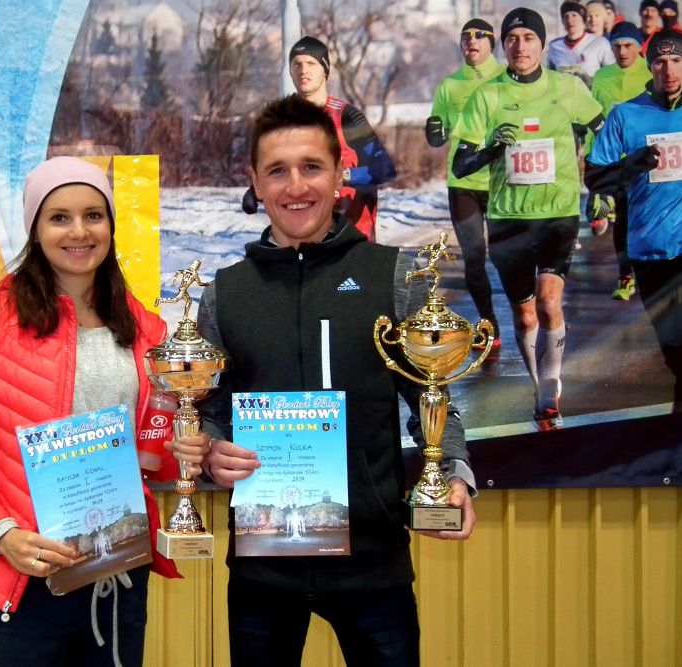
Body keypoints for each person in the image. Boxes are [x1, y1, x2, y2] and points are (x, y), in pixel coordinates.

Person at [200, 94, 476, 667]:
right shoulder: (225, 293)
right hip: (263, 567)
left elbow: (432, 396)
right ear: (255, 181)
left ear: (339, 174)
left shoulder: (392, 276)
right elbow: (209, 410)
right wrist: (211, 451)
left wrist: (453, 474)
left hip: (373, 564)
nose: (295, 186)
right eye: (277, 170)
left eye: (311, 167)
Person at [0, 157, 209, 667]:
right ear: (35, 229)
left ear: (111, 226)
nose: (79, 232)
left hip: (118, 573)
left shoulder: (148, 331)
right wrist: (1, 534)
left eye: (93, 215)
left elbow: (152, 459)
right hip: (29, 575)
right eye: (59, 217)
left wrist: (182, 449)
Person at [452, 7, 605, 431]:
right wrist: (491, 149)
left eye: (529, 38)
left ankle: (550, 389)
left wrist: (599, 184)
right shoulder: (487, 96)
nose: (520, 47)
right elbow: (462, 164)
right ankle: (541, 387)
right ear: (503, 45)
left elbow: (605, 129)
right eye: (512, 39)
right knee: (524, 316)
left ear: (541, 43)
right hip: (508, 218)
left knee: (549, 301)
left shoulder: (567, 87)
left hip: (557, 212)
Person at [586, 29, 682, 412]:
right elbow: (595, 178)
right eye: (660, 61)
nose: (668, 70)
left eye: (676, 60)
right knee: (674, 352)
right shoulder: (625, 115)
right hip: (649, 248)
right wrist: (631, 166)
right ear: (649, 66)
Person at [243, 36, 397, 243]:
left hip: (350, 238)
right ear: (290, 72)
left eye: (311, 63)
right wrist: (255, 190)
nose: (303, 70)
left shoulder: (346, 117)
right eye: (297, 64)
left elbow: (384, 168)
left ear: (325, 69)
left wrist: (344, 176)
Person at [427, 18, 505, 359]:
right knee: (474, 258)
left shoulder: (507, 78)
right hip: (463, 183)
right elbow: (438, 131)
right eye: (465, 37)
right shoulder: (449, 86)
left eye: (479, 36)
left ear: (492, 43)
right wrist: (433, 133)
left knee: (509, 255)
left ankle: (535, 315)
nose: (471, 41)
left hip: (503, 180)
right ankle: (490, 326)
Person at [588, 21, 653, 299]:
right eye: (616, 46)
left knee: (647, 218)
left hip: (647, 159)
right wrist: (592, 154)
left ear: (639, 47)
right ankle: (626, 276)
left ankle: (653, 271)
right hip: (615, 160)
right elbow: (594, 115)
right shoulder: (602, 76)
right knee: (623, 221)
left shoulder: (651, 71)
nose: (622, 51)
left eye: (628, 45)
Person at [548, 1, 615, 86]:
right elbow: (549, 77)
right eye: (566, 16)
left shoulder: (600, 42)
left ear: (583, 19)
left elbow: (612, 74)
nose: (570, 20)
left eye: (574, 15)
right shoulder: (554, 46)